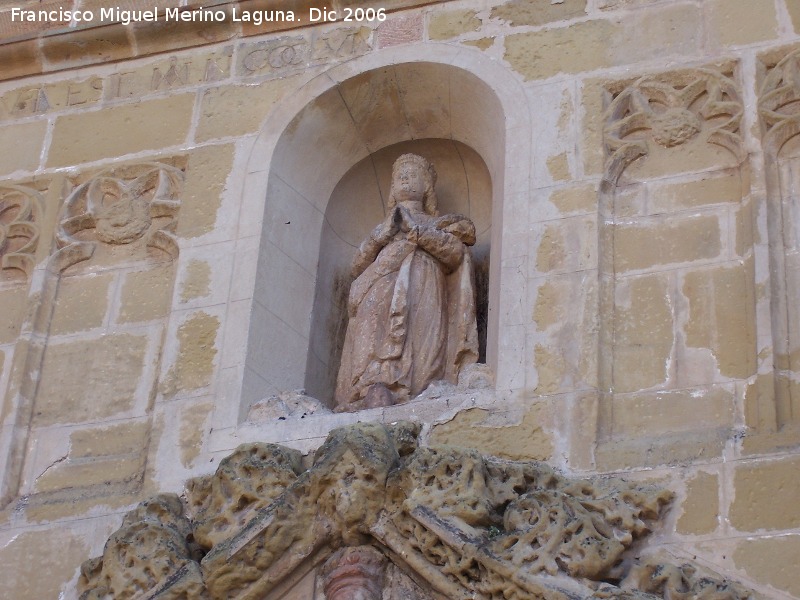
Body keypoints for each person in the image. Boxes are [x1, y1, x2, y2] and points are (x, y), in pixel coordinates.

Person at [334, 154, 479, 411]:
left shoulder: (440, 224)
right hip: (379, 284)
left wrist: (416, 231)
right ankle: (367, 390)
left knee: (421, 338)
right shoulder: (382, 230)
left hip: (422, 283)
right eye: (400, 175)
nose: (404, 179)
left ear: (427, 187)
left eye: (412, 174)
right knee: (372, 331)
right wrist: (383, 235)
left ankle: (415, 391)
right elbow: (357, 265)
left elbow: (454, 254)